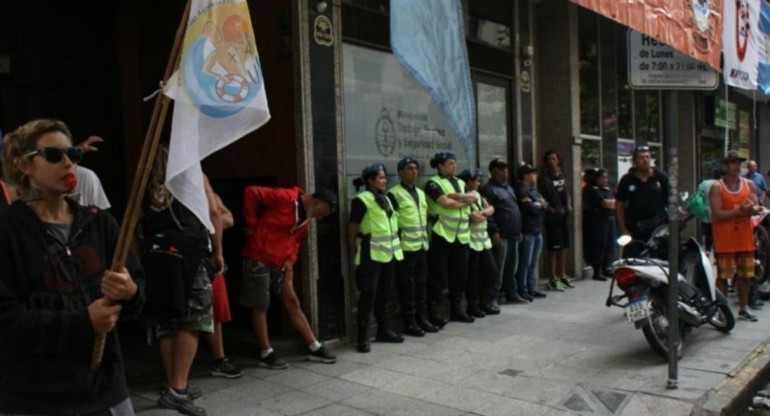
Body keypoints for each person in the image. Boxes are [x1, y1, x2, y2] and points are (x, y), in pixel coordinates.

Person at [0, 119, 144, 415]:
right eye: (55, 155)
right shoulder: (6, 230)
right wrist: (82, 322)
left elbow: (138, 294)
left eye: (73, 155)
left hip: (103, 390)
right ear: (22, 164)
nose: (68, 163)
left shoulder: (100, 223)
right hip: (34, 396)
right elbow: (6, 318)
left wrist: (130, 291)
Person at [141, 146, 221, 416]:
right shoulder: (194, 175)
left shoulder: (145, 180)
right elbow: (215, 215)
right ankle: (178, 389)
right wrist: (218, 251)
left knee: (167, 320)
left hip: (155, 253)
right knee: (192, 319)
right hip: (189, 252)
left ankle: (173, 383)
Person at [241, 184, 337, 368]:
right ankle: (265, 351)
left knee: (292, 300)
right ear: (315, 202)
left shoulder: (307, 218)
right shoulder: (285, 198)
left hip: (280, 262)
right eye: (322, 213)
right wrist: (251, 225)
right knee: (260, 304)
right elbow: (251, 192)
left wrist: (291, 260)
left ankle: (313, 345)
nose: (321, 217)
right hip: (258, 256)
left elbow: (296, 241)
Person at [348, 164, 405, 352]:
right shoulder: (361, 200)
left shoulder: (386, 199)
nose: (384, 180)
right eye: (380, 178)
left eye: (384, 177)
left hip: (389, 254)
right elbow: (352, 228)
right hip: (370, 256)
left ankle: (383, 330)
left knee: (384, 295)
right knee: (368, 296)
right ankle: (362, 338)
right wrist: (353, 250)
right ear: (370, 181)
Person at [387, 157, 438, 336]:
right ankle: (409, 322)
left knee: (421, 286)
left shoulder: (421, 193)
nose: (414, 172)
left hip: (421, 247)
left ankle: (421, 318)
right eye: (409, 168)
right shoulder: (394, 194)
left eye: (416, 168)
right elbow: (391, 223)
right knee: (407, 288)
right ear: (401, 172)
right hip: (405, 249)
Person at [425, 151, 477, 324]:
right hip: (442, 235)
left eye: (455, 163)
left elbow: (475, 196)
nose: (454, 166)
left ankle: (457, 310)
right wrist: (464, 200)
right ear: (440, 166)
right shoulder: (433, 183)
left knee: (459, 275)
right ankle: (435, 312)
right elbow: (445, 203)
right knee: (438, 276)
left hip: (461, 235)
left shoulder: (461, 182)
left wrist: (458, 197)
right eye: (450, 163)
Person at [710, 150, 762, 322]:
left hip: (744, 237)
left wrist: (752, 208)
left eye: (738, 163)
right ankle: (721, 310)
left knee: (746, 274)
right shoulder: (717, 187)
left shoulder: (749, 185)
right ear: (725, 166)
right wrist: (739, 210)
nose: (736, 166)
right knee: (723, 276)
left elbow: (756, 207)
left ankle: (744, 307)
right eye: (733, 163)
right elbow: (716, 214)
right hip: (725, 239)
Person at [204, 190, 242, 378]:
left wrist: (207, 224)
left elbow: (227, 217)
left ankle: (219, 358)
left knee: (216, 310)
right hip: (186, 256)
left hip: (209, 259)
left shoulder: (208, 191)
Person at [482, 158, 526, 307]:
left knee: (511, 269)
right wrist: (494, 231)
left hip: (513, 234)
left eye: (506, 169)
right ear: (493, 171)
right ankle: (492, 298)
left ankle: (512, 294)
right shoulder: (488, 189)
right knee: (498, 270)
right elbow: (488, 214)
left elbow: (514, 209)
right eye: (501, 169)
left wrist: (519, 230)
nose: (504, 172)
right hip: (501, 235)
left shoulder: (509, 188)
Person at [458, 168, 499, 316]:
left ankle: (485, 302)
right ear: (468, 182)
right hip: (472, 242)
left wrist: (483, 213)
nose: (479, 183)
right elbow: (473, 217)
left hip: (483, 242)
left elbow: (491, 209)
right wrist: (484, 214)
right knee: (473, 277)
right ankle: (473, 306)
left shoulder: (478, 195)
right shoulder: (465, 198)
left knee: (490, 272)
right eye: (476, 181)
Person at [616, 145, 669, 258]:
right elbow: (619, 204)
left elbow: (671, 199)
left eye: (647, 157)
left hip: (658, 228)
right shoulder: (627, 179)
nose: (645, 160)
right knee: (632, 260)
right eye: (641, 158)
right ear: (635, 161)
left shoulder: (660, 177)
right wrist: (624, 229)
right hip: (635, 229)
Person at [539, 150, 573, 291]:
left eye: (554, 158)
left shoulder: (562, 175)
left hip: (564, 215)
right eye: (549, 159)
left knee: (564, 246)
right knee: (553, 249)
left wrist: (569, 205)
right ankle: (552, 277)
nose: (552, 161)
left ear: (558, 160)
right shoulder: (545, 179)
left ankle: (562, 274)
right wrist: (550, 209)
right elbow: (541, 197)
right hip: (553, 218)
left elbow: (567, 191)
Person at [514, 164, 548, 301]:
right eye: (533, 174)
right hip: (527, 231)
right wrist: (539, 204)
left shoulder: (533, 191)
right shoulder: (521, 191)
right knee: (525, 263)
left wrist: (540, 204)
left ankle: (532, 288)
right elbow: (530, 209)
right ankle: (522, 289)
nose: (535, 176)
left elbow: (546, 205)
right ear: (526, 176)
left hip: (537, 230)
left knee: (533, 263)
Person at [582, 169, 616, 281]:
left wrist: (610, 203)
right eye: (602, 177)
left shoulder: (606, 189)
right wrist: (610, 203)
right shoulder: (593, 190)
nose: (605, 180)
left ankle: (606, 268)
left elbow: (614, 203)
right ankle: (597, 270)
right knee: (599, 246)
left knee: (609, 245)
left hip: (609, 219)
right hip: (598, 221)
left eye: (606, 177)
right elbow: (606, 204)